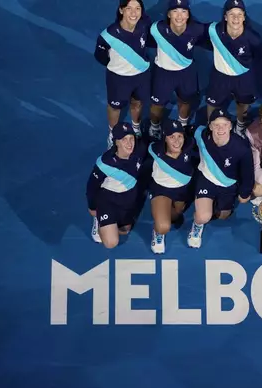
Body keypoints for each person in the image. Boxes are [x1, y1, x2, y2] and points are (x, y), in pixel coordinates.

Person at [188, 109, 254, 248]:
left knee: (223, 215)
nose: (220, 129)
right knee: (203, 216)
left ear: (230, 126)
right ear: (210, 126)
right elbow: (181, 134)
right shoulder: (200, 134)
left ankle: (212, 205)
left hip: (228, 184)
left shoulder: (241, 148)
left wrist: (244, 193)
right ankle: (197, 226)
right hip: (206, 179)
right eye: (216, 125)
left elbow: (247, 174)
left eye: (224, 125)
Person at [94, 0, 153, 147]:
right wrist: (117, 66)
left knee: (137, 102)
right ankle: (113, 133)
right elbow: (100, 56)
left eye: (137, 8)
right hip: (118, 78)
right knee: (115, 107)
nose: (134, 13)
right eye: (129, 9)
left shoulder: (145, 26)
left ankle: (136, 127)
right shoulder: (108, 35)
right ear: (121, 10)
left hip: (141, 75)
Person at [147, 0, 205, 140]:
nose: (179, 16)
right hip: (163, 73)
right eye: (175, 11)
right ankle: (155, 126)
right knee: (157, 104)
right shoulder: (156, 29)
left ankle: (182, 125)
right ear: (168, 14)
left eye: (183, 12)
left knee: (185, 101)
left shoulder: (197, 29)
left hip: (186, 73)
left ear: (188, 15)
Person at [203, 0, 262, 135]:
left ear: (244, 17)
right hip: (220, 76)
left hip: (243, 77)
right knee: (212, 103)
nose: (236, 18)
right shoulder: (213, 31)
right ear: (225, 16)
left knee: (243, 102)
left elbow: (258, 55)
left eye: (239, 14)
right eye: (231, 14)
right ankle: (210, 126)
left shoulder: (253, 38)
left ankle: (240, 126)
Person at [86, 122, 149, 249]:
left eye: (131, 138)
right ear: (116, 142)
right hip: (108, 201)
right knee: (111, 242)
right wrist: (92, 207)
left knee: (125, 230)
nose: (129, 143)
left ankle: (111, 223)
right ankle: (99, 220)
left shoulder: (140, 150)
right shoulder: (105, 163)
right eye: (124, 139)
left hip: (128, 200)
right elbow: (91, 187)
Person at [147, 119, 198, 254]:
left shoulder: (189, 144)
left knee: (176, 215)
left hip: (182, 191)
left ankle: (164, 213)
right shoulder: (155, 149)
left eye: (179, 136)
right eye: (171, 137)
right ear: (164, 138)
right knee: (164, 226)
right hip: (161, 190)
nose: (176, 141)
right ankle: (157, 233)